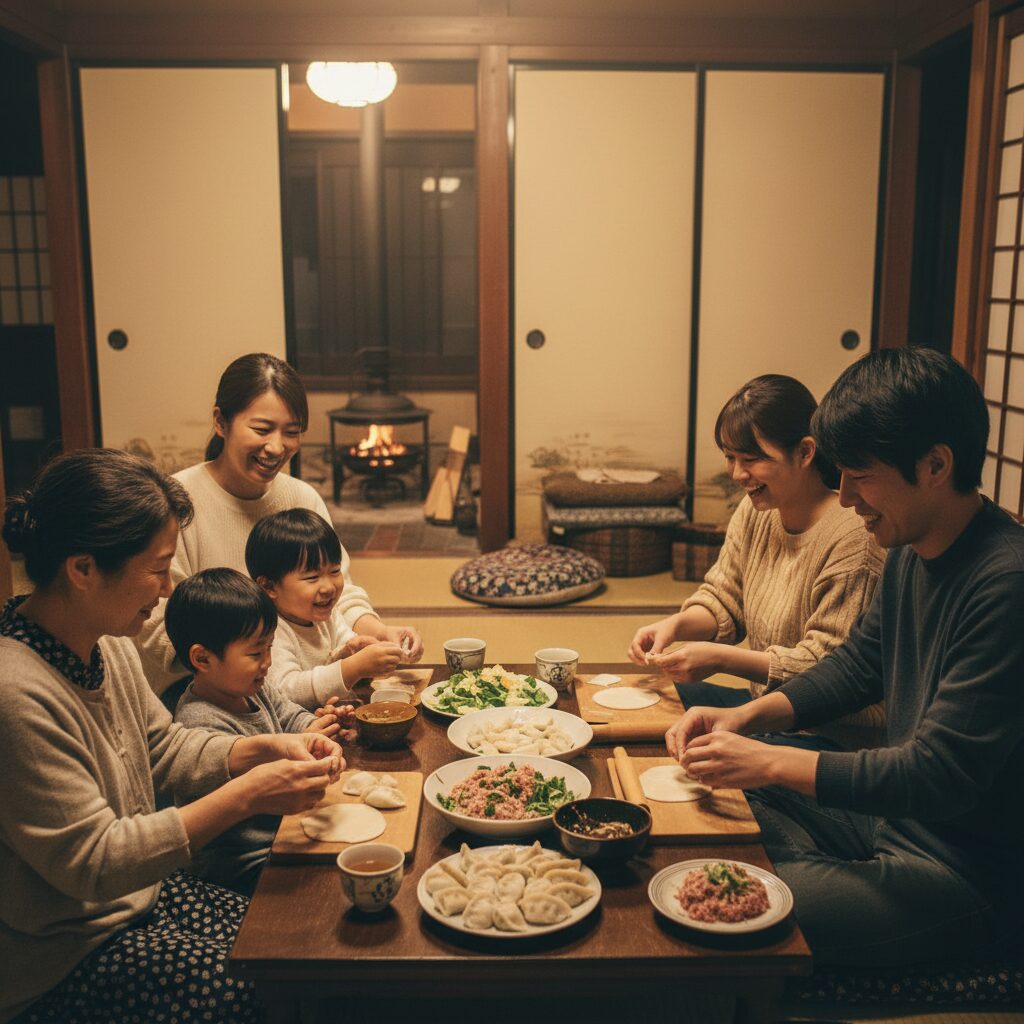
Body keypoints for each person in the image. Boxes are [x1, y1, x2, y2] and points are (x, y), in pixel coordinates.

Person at [666, 348, 1024, 967]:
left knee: (725, 900)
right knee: (705, 809)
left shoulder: (1005, 584)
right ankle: (821, 879)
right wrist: (746, 719)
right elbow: (859, 665)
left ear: (936, 464)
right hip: (889, 816)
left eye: (860, 474)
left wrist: (769, 760)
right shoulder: (910, 544)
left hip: (963, 867)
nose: (848, 496)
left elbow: (937, 774)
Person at [0, 449, 346, 1023]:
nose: (166, 589)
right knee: (261, 989)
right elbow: (97, 860)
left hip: (144, 895)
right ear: (83, 569)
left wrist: (263, 748)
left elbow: (161, 747)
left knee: (305, 944)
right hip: (67, 952)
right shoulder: (16, 693)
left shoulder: (107, 643)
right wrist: (249, 794)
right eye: (158, 568)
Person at [136, 352, 423, 696]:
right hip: (199, 693)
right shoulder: (176, 503)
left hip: (302, 693)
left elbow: (337, 592)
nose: (276, 447)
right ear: (221, 422)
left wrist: (377, 632)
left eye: (291, 432)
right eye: (262, 429)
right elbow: (158, 630)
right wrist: (253, 660)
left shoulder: (301, 498)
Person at [628, 374, 884, 748]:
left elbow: (830, 672)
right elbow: (725, 598)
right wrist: (676, 625)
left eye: (751, 459)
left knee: (690, 760)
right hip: (766, 710)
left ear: (805, 452)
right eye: (730, 457)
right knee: (643, 700)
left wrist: (723, 659)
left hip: (833, 734)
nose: (737, 474)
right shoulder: (756, 510)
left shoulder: (853, 540)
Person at [167, 568, 353, 895]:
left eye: (269, 648)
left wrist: (314, 730)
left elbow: (288, 714)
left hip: (284, 833)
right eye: (255, 653)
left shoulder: (252, 686)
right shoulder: (198, 721)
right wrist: (301, 756)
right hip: (242, 867)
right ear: (202, 659)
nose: (267, 662)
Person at [245, 508, 404, 709]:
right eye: (312, 577)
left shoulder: (325, 614)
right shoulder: (268, 631)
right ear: (269, 586)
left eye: (335, 571)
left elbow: (343, 641)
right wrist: (353, 667)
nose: (328, 587)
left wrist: (355, 649)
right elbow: (285, 691)